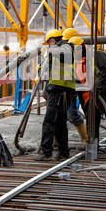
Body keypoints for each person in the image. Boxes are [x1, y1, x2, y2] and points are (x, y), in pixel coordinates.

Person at [34, 29, 76, 161]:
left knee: (49, 121)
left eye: (49, 42)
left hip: (59, 89)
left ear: (53, 40)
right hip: (63, 89)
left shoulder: (65, 48)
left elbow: (63, 57)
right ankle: (64, 152)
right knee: (60, 122)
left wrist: (49, 52)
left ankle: (46, 152)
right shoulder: (61, 49)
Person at [61, 28, 88, 145]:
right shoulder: (67, 51)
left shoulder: (83, 53)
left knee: (72, 114)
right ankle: (56, 141)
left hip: (78, 87)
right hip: (66, 86)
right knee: (60, 115)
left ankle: (86, 138)